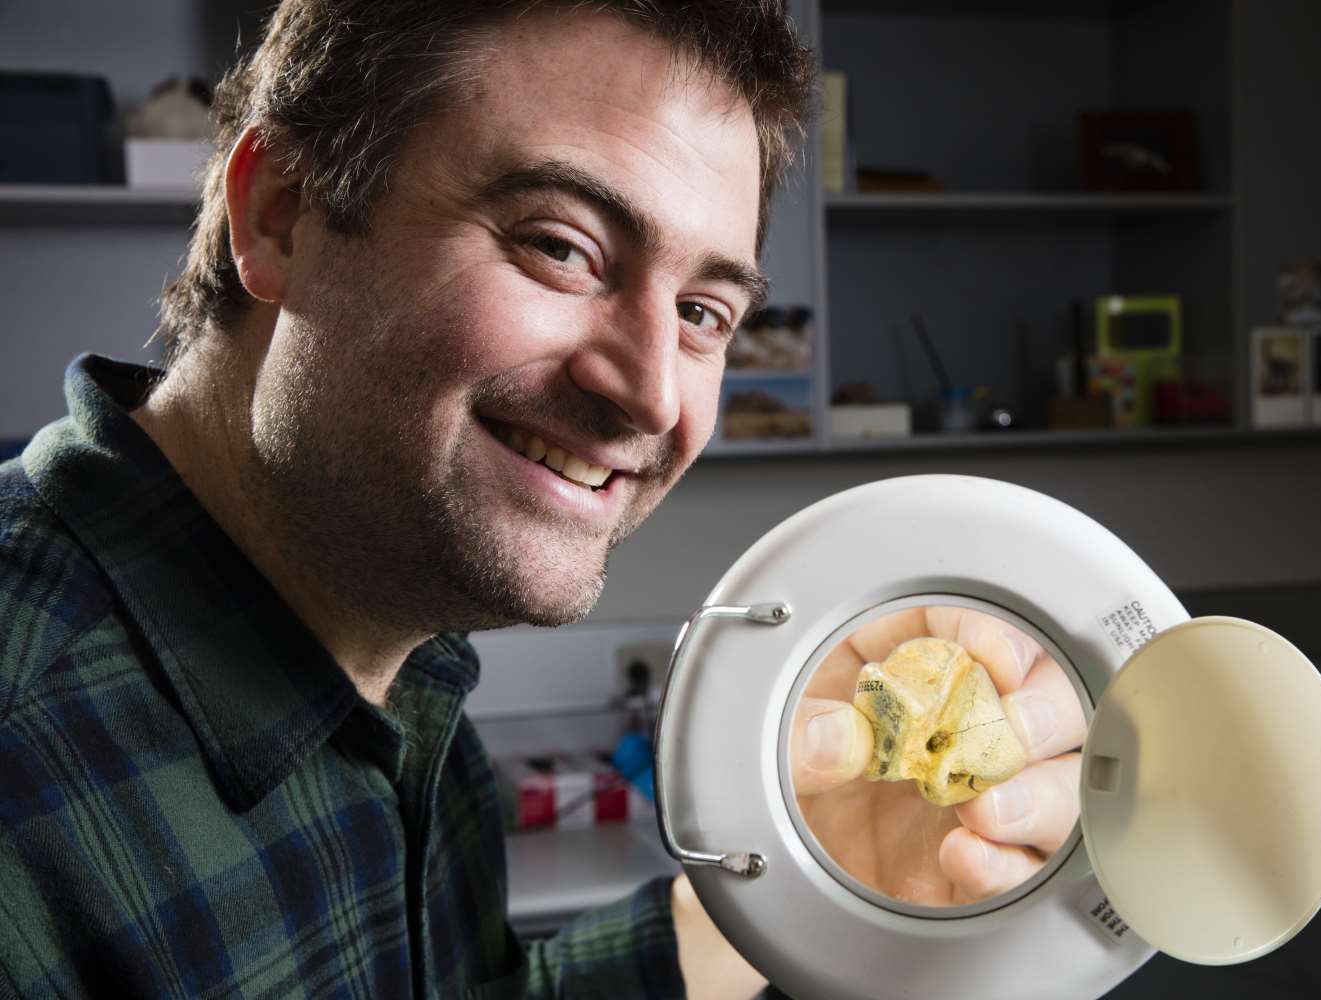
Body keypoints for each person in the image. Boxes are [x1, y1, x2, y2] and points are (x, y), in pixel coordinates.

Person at [0, 1, 1082, 996]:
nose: (654, 393)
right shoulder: (25, 755)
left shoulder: (399, 655)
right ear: (281, 214)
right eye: (561, 246)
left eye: (705, 312)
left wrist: (805, 877)